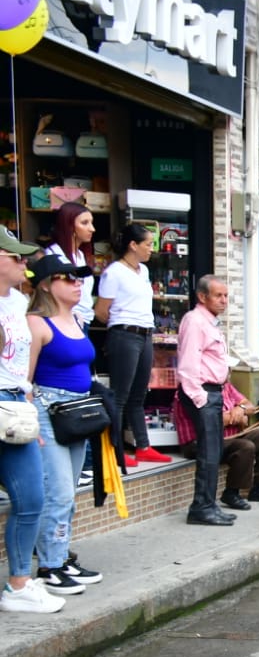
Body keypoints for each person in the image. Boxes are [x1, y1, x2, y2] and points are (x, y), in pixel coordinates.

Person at [27, 253, 101, 596]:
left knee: (68, 493)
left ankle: (60, 556)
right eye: (67, 278)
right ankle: (49, 565)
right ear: (46, 284)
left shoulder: (78, 320)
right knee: (56, 493)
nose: (77, 282)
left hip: (77, 413)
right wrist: (30, 425)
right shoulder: (37, 323)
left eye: (78, 277)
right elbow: (24, 380)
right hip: (47, 411)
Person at [0, 230, 62, 613]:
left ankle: (19, 584)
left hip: (13, 406)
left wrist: (27, 410)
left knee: (31, 499)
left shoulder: (19, 301)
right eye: (16, 257)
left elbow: (19, 364)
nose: (25, 264)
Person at [96, 223, 171, 468]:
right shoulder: (113, 272)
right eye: (148, 244)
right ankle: (115, 449)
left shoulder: (144, 271)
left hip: (145, 334)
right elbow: (101, 311)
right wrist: (121, 324)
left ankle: (143, 446)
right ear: (133, 245)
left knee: (139, 395)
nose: (151, 249)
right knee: (120, 395)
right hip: (125, 334)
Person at [175, 276, 237, 526]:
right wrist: (200, 398)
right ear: (202, 297)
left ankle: (209, 504)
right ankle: (201, 507)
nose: (223, 301)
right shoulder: (195, 321)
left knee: (215, 450)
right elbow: (188, 364)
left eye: (225, 295)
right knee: (209, 452)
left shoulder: (210, 322)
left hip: (213, 391)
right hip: (202, 393)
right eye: (218, 296)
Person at [172, 380, 259, 512]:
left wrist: (240, 409)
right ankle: (232, 492)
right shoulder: (190, 391)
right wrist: (237, 415)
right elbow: (212, 419)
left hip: (230, 436)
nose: (227, 372)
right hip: (199, 442)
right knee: (245, 446)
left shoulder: (226, 386)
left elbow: (249, 406)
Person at [41, 203, 95, 325]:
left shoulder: (81, 255)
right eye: (85, 223)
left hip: (85, 319)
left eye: (91, 223)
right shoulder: (53, 254)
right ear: (68, 225)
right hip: (65, 320)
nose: (92, 228)